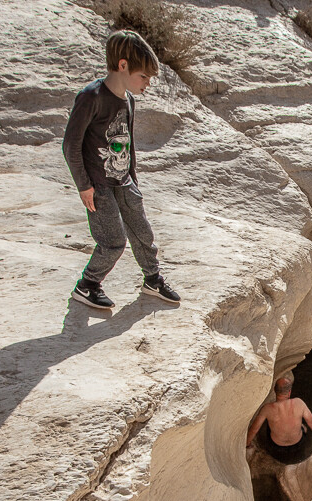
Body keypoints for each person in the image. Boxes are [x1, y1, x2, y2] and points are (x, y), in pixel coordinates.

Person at [63, 29, 180, 310]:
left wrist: (134, 179)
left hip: (123, 180)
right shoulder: (91, 97)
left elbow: (128, 143)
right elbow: (71, 144)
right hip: (98, 186)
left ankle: (152, 279)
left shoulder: (128, 100)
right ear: (123, 65)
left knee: (142, 231)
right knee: (113, 241)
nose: (147, 84)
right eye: (144, 77)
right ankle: (88, 285)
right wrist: (83, 185)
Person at [246, 376, 312, 464]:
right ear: (289, 392)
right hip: (298, 443)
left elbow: (254, 429)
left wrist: (248, 444)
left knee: (269, 424)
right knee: (303, 426)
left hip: (277, 446)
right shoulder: (299, 403)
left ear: (275, 391)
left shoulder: (267, 409)